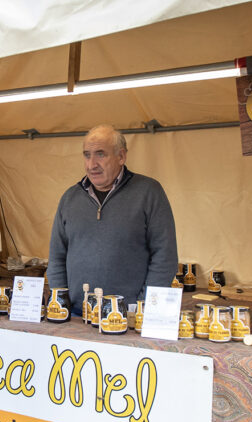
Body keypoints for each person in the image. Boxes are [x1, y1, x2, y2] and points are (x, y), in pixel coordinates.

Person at [46, 125, 178, 314]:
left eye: (101, 154)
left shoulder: (148, 192)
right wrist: (60, 302)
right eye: (87, 155)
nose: (92, 164)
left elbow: (165, 257)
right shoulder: (70, 198)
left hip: (128, 315)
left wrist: (144, 307)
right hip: (77, 313)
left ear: (121, 156)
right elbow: (57, 257)